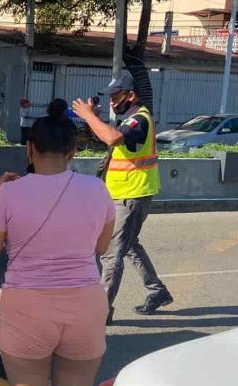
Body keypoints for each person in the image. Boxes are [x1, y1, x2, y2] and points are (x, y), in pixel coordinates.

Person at [0, 108, 116, 386]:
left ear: (30, 148)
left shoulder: (9, 192)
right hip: (85, 305)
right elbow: (101, 248)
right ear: (72, 152)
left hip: (27, 308)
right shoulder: (97, 189)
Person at [72, 70, 174, 324]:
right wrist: (94, 118)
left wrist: (87, 115)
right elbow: (111, 141)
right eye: (110, 97)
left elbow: (113, 138)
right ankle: (157, 291)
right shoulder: (128, 118)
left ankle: (101, 310)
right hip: (121, 193)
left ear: (131, 95)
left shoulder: (139, 119)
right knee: (129, 246)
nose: (112, 101)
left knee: (111, 253)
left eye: (116, 96)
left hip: (133, 194)